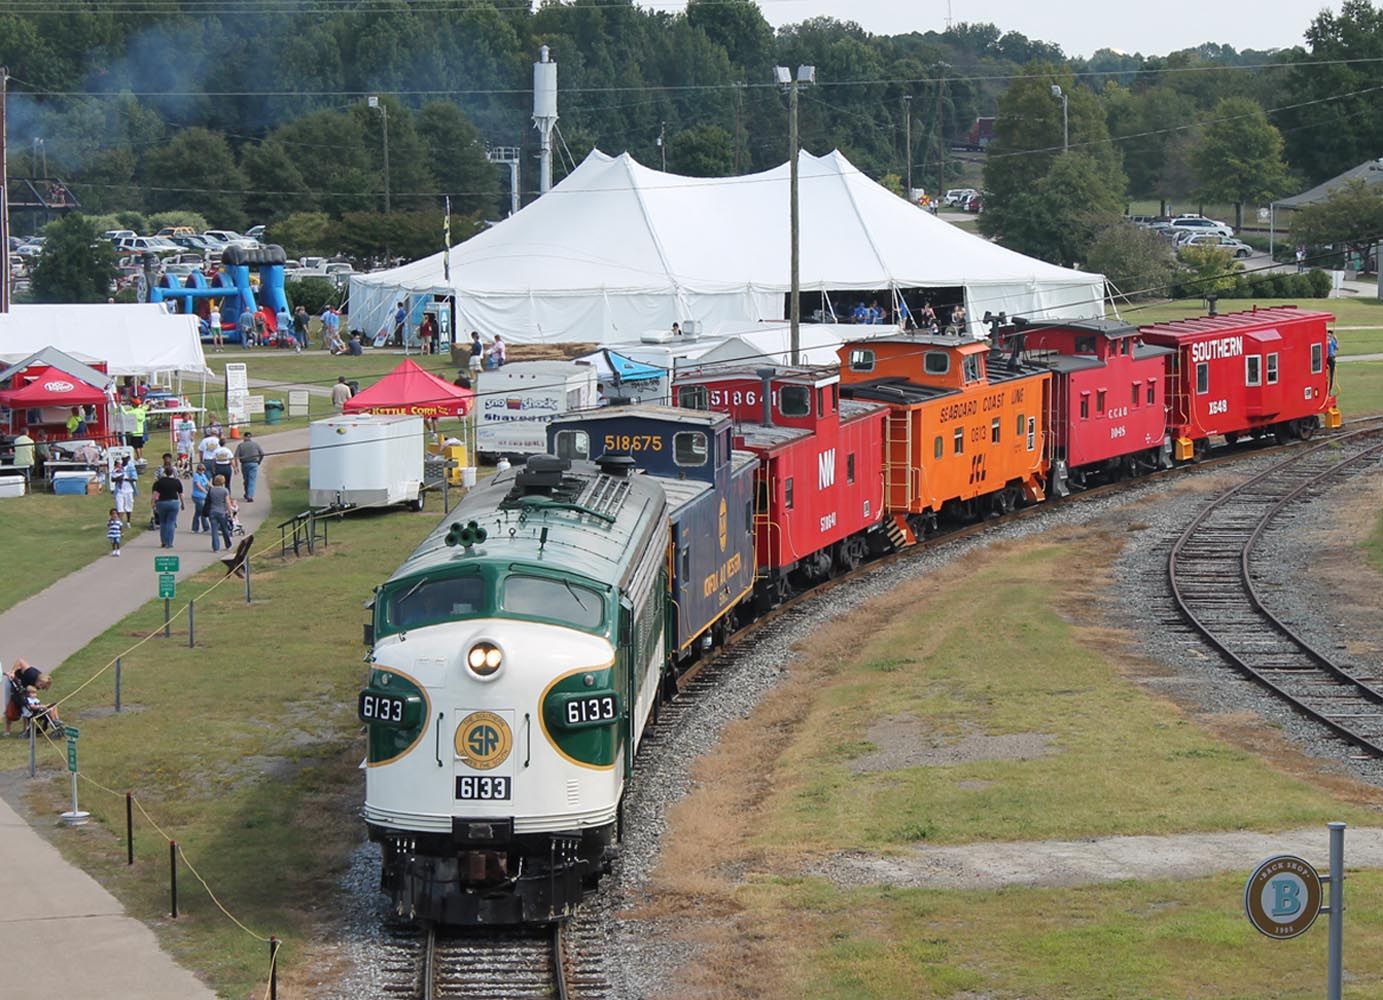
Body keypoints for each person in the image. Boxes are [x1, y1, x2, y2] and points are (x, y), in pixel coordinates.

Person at [4, 660, 52, 736]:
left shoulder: (36, 685)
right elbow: (20, 661)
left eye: (43, 688)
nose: (40, 688)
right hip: (12, 682)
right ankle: (7, 730)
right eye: (41, 685)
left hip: (23, 688)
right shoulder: (31, 673)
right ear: (40, 680)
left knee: (26, 706)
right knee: (9, 705)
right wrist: (12, 672)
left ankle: (25, 729)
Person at [151, 461, 185, 548]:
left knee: (163, 522)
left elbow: (155, 494)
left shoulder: (159, 482)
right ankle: (169, 543)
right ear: (173, 473)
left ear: (164, 473)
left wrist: (153, 503)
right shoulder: (176, 482)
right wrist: (182, 504)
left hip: (162, 503)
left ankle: (163, 541)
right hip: (173, 503)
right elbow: (181, 494)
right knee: (171, 522)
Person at [205, 474, 233, 552]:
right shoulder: (225, 490)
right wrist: (230, 512)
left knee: (214, 530)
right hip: (222, 512)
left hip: (212, 511)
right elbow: (227, 502)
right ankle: (228, 544)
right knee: (225, 529)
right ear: (223, 482)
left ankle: (216, 547)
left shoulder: (211, 490)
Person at [236, 431, 265, 502]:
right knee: (251, 480)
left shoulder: (241, 445)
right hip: (254, 463)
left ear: (244, 437)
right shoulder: (255, 445)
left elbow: (236, 456)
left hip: (245, 464)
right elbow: (262, 454)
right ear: (250, 437)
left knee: (246, 480)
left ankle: (248, 495)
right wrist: (259, 461)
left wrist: (236, 466)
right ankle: (249, 495)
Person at [113, 456, 135, 523]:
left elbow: (134, 478)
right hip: (120, 491)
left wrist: (125, 479)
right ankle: (119, 523)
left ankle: (128, 522)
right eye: (123, 459)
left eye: (126, 459)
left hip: (129, 490)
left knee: (129, 506)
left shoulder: (130, 468)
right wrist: (119, 478)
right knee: (120, 508)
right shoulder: (115, 470)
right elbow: (113, 479)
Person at [190, 462, 210, 533]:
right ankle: (206, 528)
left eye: (203, 470)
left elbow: (208, 483)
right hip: (197, 496)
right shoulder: (196, 476)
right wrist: (205, 491)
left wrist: (214, 488)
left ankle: (195, 528)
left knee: (198, 512)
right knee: (202, 512)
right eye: (200, 469)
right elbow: (198, 485)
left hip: (203, 497)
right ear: (197, 469)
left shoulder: (203, 475)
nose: (202, 471)